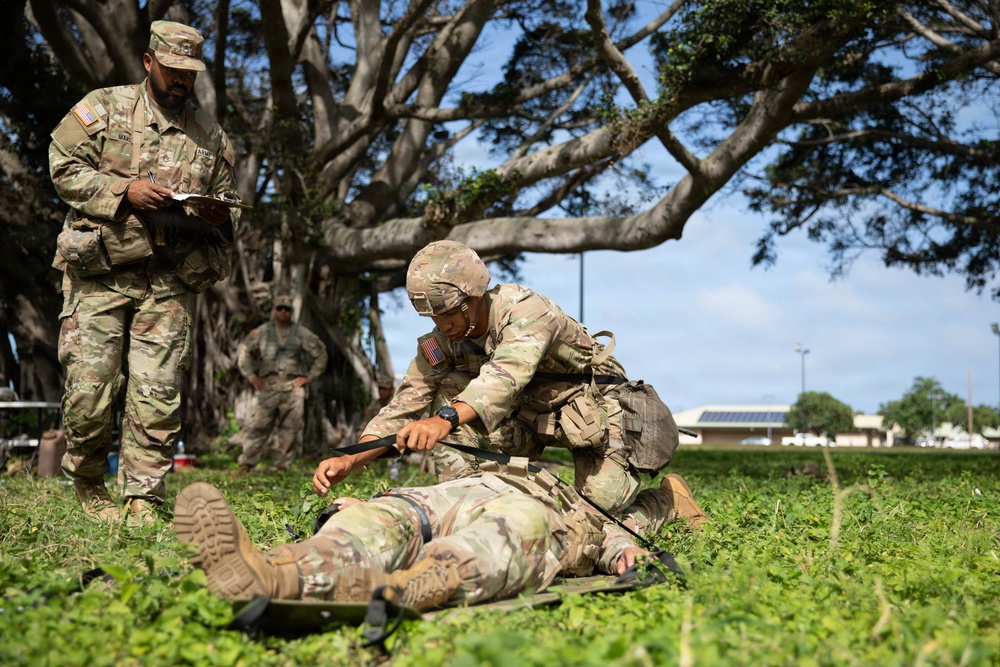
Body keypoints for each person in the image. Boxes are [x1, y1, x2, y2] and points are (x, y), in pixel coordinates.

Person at [314, 240, 673, 514]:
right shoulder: (443, 341)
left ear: (474, 295)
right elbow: (405, 403)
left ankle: (669, 503)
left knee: (599, 510)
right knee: (448, 391)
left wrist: (445, 420)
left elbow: (504, 377)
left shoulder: (526, 312)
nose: (443, 326)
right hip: (527, 417)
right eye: (434, 318)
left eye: (450, 313)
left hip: (593, 413)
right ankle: (464, 505)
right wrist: (352, 458)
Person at [49, 21, 241, 524]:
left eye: (190, 74)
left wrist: (220, 212)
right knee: (90, 392)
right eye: (173, 70)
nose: (181, 81)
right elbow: (62, 166)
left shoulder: (209, 134)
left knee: (157, 393)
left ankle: (142, 498)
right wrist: (123, 191)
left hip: (170, 279)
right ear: (149, 61)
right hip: (101, 272)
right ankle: (89, 484)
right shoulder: (105, 107)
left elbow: (231, 200)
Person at [174, 462, 706, 611]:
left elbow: (620, 539)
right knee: (380, 518)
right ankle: (276, 571)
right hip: (450, 494)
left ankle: (418, 583)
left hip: (537, 510)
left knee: (512, 527)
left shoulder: (594, 504)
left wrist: (623, 552)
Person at [233, 295, 329, 476]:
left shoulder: (301, 333)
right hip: (267, 386)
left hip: (292, 387)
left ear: (292, 312)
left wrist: (308, 377)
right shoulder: (262, 332)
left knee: (290, 429)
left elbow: (321, 353)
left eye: (287, 309)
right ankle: (246, 465)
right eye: (280, 308)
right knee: (258, 426)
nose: (283, 312)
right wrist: (252, 376)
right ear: (274, 310)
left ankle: (282, 468)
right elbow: (244, 353)